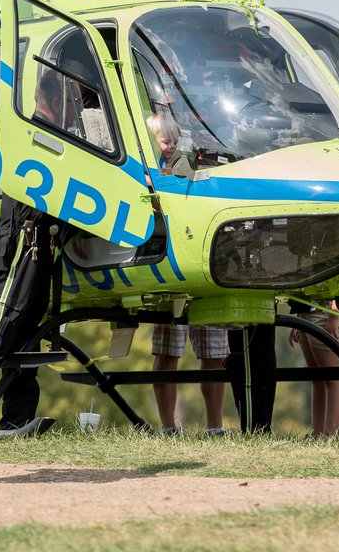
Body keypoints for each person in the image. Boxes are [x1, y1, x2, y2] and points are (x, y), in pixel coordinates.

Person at [0, 73, 73, 434]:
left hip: (37, 254)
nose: (76, 113)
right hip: (19, 252)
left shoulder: (50, 139)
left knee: (25, 344)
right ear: (56, 103)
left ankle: (16, 418)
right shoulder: (35, 137)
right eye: (72, 103)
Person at [144, 111, 228, 436]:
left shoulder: (191, 163)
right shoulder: (143, 169)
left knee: (214, 353)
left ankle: (215, 426)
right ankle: (168, 426)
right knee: (167, 350)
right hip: (167, 267)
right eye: (162, 139)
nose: (167, 145)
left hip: (198, 261)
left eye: (171, 139)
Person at [287, 300, 339, 438]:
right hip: (305, 313)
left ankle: (330, 436)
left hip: (325, 313)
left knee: (333, 377)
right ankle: (317, 434)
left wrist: (334, 314)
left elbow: (338, 282)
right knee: (317, 378)